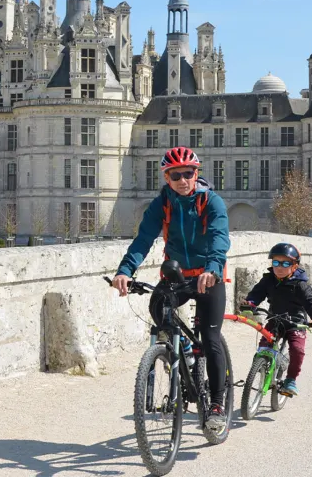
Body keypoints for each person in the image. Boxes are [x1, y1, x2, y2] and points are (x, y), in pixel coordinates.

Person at [110, 146, 231, 429]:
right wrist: (125, 270)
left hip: (208, 276)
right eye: (175, 175)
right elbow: (143, 239)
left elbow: (218, 238)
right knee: (157, 307)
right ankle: (185, 349)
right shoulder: (162, 203)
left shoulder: (211, 202)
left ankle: (216, 405)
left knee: (211, 338)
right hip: (177, 277)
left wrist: (212, 269)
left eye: (187, 174)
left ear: (196, 173)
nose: (182, 180)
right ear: (166, 177)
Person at [241, 243, 312, 397]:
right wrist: (250, 303)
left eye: (286, 263)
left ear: (294, 266)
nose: (279, 267)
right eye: (276, 263)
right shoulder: (268, 280)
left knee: (297, 349)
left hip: (295, 322)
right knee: (264, 347)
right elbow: (257, 294)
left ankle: (291, 380)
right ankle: (260, 367)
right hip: (275, 319)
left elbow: (311, 302)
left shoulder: (300, 285)